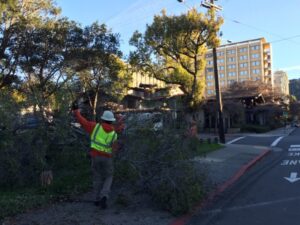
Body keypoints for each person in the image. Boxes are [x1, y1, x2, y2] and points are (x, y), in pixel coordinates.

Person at [72, 102, 122, 209]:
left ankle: (96, 199)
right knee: (109, 176)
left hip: (95, 157)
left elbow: (83, 122)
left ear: (103, 119)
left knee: (97, 177)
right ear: (111, 121)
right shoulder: (114, 133)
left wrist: (76, 112)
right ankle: (104, 195)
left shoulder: (95, 127)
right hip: (107, 158)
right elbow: (115, 148)